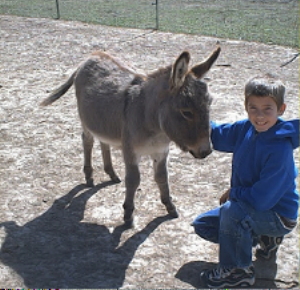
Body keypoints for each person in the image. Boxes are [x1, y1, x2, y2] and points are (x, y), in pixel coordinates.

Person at [192, 74, 299, 288]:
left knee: (232, 213)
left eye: (267, 108)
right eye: (253, 108)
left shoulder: (279, 149)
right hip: (253, 207)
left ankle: (237, 271)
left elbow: (261, 200)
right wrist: (195, 115)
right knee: (204, 225)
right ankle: (265, 240)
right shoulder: (245, 128)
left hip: (278, 216)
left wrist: (234, 192)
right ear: (246, 107)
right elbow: (218, 135)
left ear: (281, 109)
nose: (259, 116)